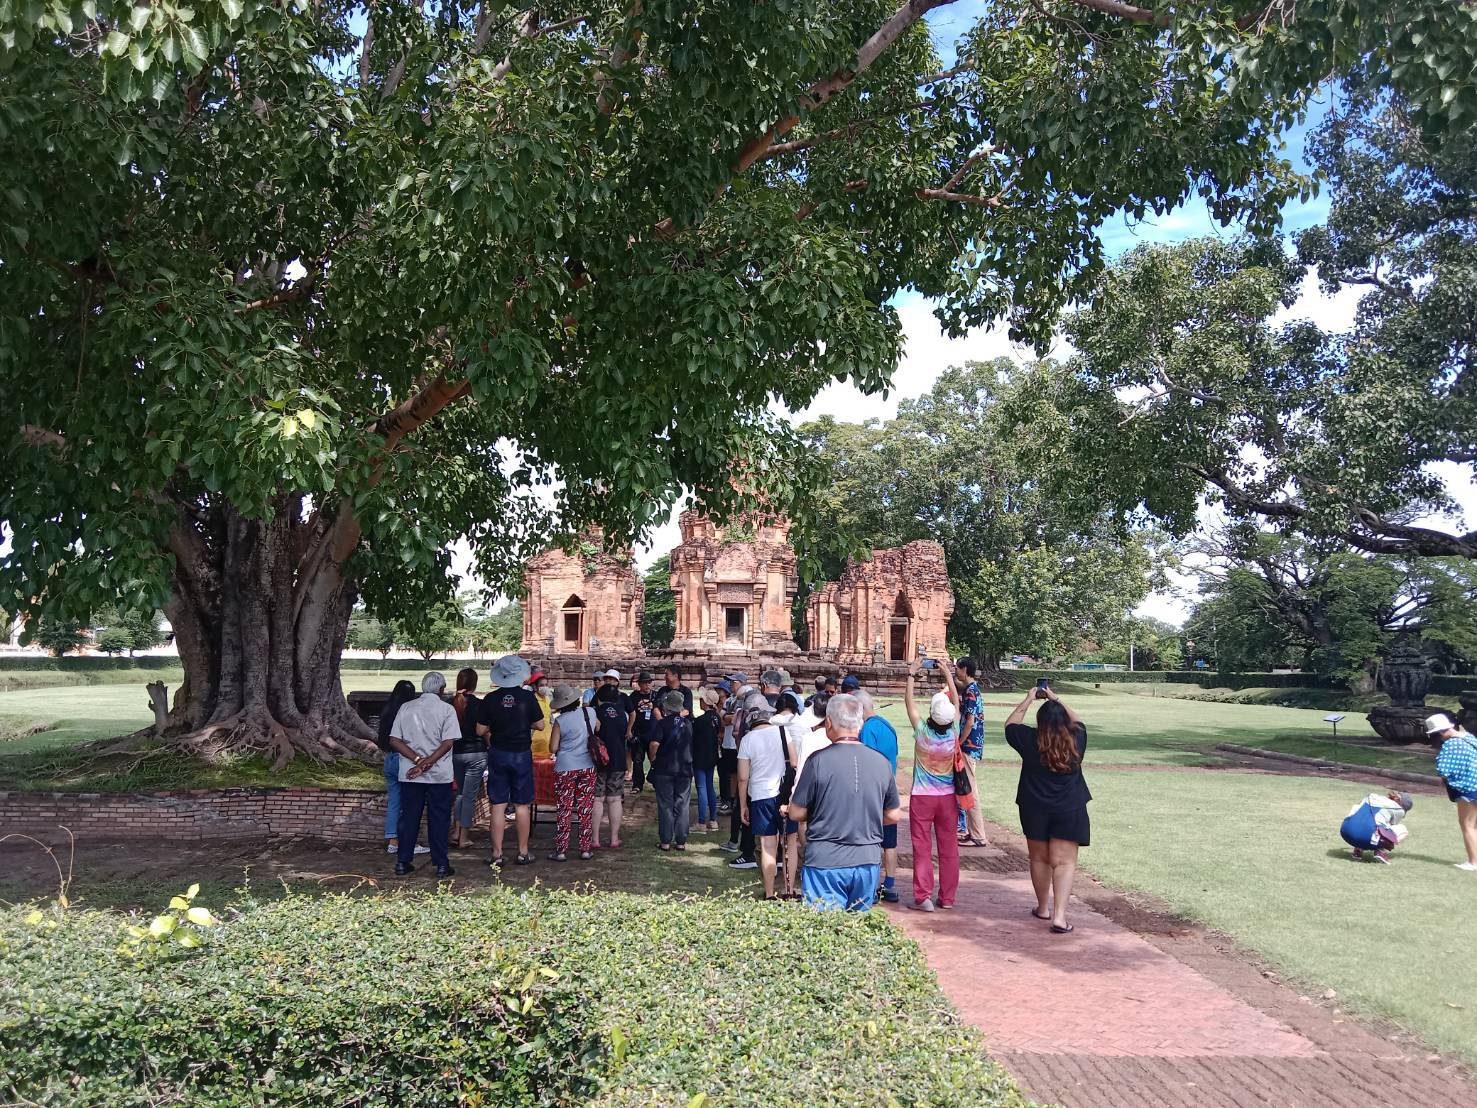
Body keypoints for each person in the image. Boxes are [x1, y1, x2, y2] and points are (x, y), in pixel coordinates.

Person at [789, 693, 902, 911]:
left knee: (825, 934)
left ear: (828, 722)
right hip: (866, 859)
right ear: (860, 724)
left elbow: (795, 812)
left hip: (825, 860)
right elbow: (893, 814)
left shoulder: (818, 761)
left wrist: (822, 812)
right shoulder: (881, 762)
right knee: (856, 932)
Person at [1004, 683, 1091, 933]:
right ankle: (1059, 916)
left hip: (1034, 806)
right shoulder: (1077, 738)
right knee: (1063, 863)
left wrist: (1029, 699)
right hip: (1069, 805)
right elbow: (1078, 719)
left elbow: (1010, 724)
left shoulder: (1030, 739)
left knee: (1039, 858)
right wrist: (1056, 698)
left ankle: (1043, 907)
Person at [388, 672, 461, 877]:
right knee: (439, 818)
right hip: (439, 775)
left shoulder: (406, 707)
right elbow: (447, 743)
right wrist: (427, 762)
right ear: (441, 689)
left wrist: (418, 762)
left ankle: (403, 861)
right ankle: (441, 864)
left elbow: (394, 740)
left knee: (409, 816)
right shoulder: (446, 709)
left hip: (411, 774)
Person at [902, 661, 961, 912]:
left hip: (923, 796)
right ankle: (947, 898)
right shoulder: (954, 732)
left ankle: (923, 897)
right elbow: (957, 704)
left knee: (922, 846)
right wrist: (948, 672)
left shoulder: (922, 731)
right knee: (949, 848)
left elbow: (909, 703)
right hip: (948, 797)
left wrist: (912, 675)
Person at [476, 654, 544, 868]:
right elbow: (540, 725)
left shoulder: (490, 699)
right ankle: (523, 852)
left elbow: (480, 729)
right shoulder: (527, 698)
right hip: (521, 753)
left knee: (498, 804)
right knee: (522, 803)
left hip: (498, 752)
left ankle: (497, 853)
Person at [736, 672, 794, 899]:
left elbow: (742, 777)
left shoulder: (748, 740)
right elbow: (795, 763)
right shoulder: (782, 731)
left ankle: (770, 893)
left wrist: (743, 804)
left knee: (768, 845)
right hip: (784, 795)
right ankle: (789, 890)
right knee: (788, 844)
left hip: (760, 796)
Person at [727, 670, 782, 870]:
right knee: (777, 817)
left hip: (755, 778)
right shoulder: (781, 724)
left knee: (748, 815)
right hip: (778, 778)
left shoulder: (749, 733)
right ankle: (777, 856)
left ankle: (749, 853)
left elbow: (742, 776)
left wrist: (741, 803)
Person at [857, 690, 900, 902]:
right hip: (890, 787)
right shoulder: (888, 727)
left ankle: (872, 886)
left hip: (874, 791)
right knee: (889, 841)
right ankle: (889, 884)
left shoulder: (867, 729)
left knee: (872, 839)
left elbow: (865, 762)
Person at [547, 683, 597, 861]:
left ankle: (561, 850)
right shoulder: (589, 713)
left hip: (566, 767)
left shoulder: (561, 721)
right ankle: (584, 848)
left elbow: (552, 748)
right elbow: (597, 728)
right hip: (587, 765)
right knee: (585, 808)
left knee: (564, 809)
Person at [377, 680, 427, 857]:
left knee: (394, 802)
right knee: (410, 803)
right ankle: (408, 842)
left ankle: (393, 841)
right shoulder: (409, 713)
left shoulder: (387, 711)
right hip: (404, 759)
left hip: (389, 758)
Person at [1431, 712, 1477, 872]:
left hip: (1469, 788)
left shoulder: (1452, 745)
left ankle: (1473, 862)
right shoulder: (1469, 738)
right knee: (1474, 825)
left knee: (1467, 825)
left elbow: (1443, 769)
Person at [649, 689, 695, 850]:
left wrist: (653, 759)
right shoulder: (688, 724)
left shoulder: (662, 723)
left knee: (665, 805)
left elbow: (654, 745)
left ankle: (666, 840)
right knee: (682, 805)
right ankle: (681, 841)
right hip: (684, 769)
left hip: (664, 768)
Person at [954, 656, 989, 848]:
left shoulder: (971, 692)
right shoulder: (970, 689)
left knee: (970, 790)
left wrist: (959, 742)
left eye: (957, 668)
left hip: (969, 746)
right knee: (966, 788)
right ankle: (971, 831)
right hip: (971, 744)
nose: (956, 671)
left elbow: (969, 721)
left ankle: (978, 835)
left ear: (964, 669)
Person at [450, 667, 485, 849]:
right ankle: (463, 836)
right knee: (469, 796)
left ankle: (456, 831)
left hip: (456, 752)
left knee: (461, 794)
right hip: (476, 752)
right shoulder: (479, 705)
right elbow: (484, 730)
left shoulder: (451, 704)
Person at [591, 684, 628, 848]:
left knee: (597, 798)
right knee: (614, 799)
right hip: (618, 759)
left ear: (599, 698)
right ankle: (614, 838)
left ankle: (595, 839)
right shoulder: (623, 713)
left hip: (599, 760)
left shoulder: (594, 713)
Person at [1340, 790, 1415, 862]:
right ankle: (1379, 851)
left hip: (1345, 831)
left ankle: (1358, 849)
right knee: (1402, 829)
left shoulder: (1373, 796)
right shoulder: (1399, 810)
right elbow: (1388, 830)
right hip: (1366, 837)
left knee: (1363, 819)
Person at [691, 687, 723, 831]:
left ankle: (702, 822)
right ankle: (713, 820)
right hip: (712, 756)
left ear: (706, 702)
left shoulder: (700, 721)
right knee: (709, 787)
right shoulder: (716, 717)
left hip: (700, 757)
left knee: (702, 788)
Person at [626, 671, 658, 793]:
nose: (647, 685)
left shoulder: (656, 696)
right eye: (645, 683)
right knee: (638, 760)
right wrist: (630, 730)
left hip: (653, 732)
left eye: (649, 682)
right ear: (640, 684)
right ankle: (637, 784)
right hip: (638, 733)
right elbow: (629, 713)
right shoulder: (633, 697)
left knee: (654, 760)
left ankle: (656, 781)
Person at [717, 678, 739, 817]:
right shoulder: (728, 702)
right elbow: (723, 719)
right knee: (727, 773)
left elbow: (737, 718)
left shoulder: (741, 701)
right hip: (727, 743)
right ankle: (730, 800)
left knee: (736, 774)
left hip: (736, 743)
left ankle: (734, 801)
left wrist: (729, 717)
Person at [530, 671, 553, 758]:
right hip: (535, 740)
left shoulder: (548, 698)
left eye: (546, 685)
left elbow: (551, 718)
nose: (545, 688)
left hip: (548, 738)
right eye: (541, 685)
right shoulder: (532, 700)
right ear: (535, 687)